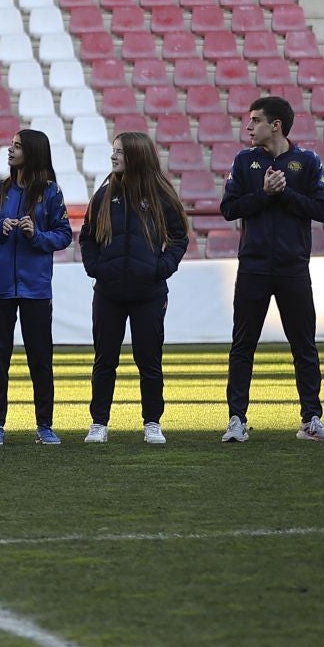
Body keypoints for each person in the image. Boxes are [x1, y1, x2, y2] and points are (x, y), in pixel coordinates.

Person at [222, 95, 324, 442]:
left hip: (293, 267)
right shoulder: (244, 162)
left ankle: (311, 419)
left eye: (255, 120)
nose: (248, 126)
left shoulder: (307, 161)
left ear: (275, 125)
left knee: (304, 345)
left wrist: (283, 194)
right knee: (243, 344)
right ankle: (236, 420)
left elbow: (321, 210)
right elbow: (229, 208)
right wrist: (265, 193)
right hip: (254, 267)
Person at [81, 132, 189, 445]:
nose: (113, 157)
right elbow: (87, 236)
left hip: (149, 294)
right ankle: (99, 422)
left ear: (137, 156)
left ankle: (152, 422)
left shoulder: (161, 195)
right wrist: (96, 268)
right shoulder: (103, 194)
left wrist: (161, 268)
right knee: (104, 360)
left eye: (119, 152)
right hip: (108, 293)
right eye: (113, 151)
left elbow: (179, 237)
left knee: (149, 360)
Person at [0, 129, 74, 446]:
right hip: (2, 287)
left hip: (36, 288)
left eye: (17, 146)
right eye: (11, 145)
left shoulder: (50, 192)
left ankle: (44, 424)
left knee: (40, 358)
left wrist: (37, 234)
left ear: (32, 153)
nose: (10, 150)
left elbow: (63, 235)